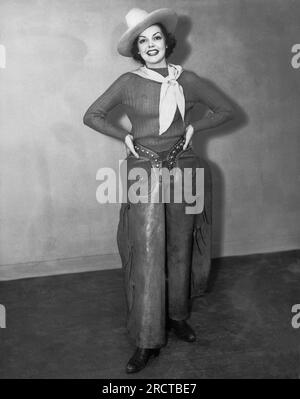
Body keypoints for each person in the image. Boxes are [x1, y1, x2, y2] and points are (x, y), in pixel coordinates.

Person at [83, 7, 234, 374]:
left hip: (184, 167)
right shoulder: (127, 82)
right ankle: (147, 339)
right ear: (137, 48)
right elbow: (93, 115)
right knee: (148, 251)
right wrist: (126, 137)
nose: (150, 45)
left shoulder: (188, 80)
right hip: (144, 170)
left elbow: (224, 110)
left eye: (155, 37)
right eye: (142, 40)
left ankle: (177, 316)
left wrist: (195, 127)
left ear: (167, 41)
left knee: (179, 247)